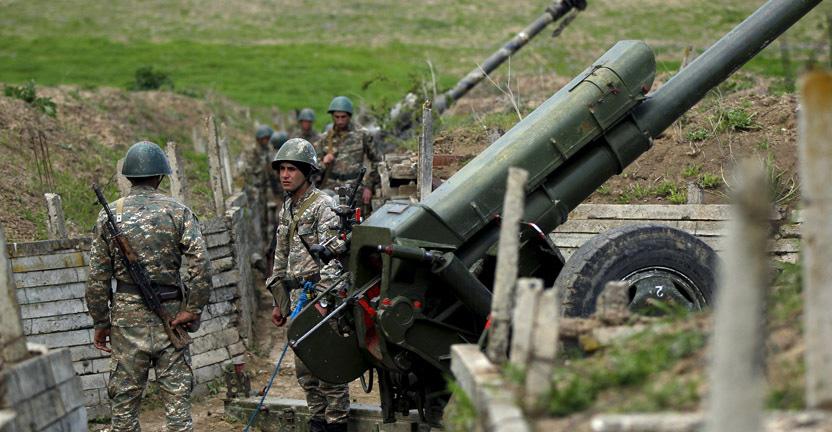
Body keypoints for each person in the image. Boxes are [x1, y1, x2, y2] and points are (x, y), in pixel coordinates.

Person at [86, 141, 211, 432]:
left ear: (129, 176)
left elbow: (97, 278)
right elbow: (201, 265)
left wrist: (101, 321)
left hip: (127, 323)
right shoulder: (178, 211)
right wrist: (193, 308)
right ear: (161, 176)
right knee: (178, 406)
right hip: (173, 315)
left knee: (124, 407)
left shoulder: (109, 215)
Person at [265, 138, 349, 432]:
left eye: (291, 169)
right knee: (305, 371)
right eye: (282, 169)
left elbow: (335, 259)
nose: (285, 175)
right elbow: (281, 255)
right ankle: (317, 422)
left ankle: (336, 424)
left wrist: (324, 301)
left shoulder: (324, 206)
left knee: (328, 368)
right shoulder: (288, 207)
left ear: (307, 172)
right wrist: (279, 301)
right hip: (298, 297)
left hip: (321, 297)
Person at [317, 96, 382, 211]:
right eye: (337, 117)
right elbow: (314, 168)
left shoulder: (362, 135)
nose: (340, 121)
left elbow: (377, 160)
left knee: (355, 219)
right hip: (331, 188)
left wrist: (369, 186)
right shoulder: (325, 138)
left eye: (343, 117)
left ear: (349, 116)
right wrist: (324, 162)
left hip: (355, 188)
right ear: (332, 116)